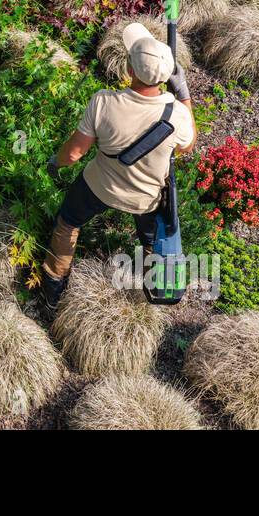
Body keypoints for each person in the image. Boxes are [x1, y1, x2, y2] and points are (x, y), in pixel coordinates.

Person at [41, 22, 196, 315]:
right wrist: (184, 95)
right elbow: (187, 147)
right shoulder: (176, 114)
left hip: (98, 187)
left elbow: (73, 154)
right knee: (152, 242)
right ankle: (155, 294)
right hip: (147, 198)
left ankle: (53, 288)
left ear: (131, 71)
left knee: (67, 224)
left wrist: (53, 163)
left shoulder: (103, 102)